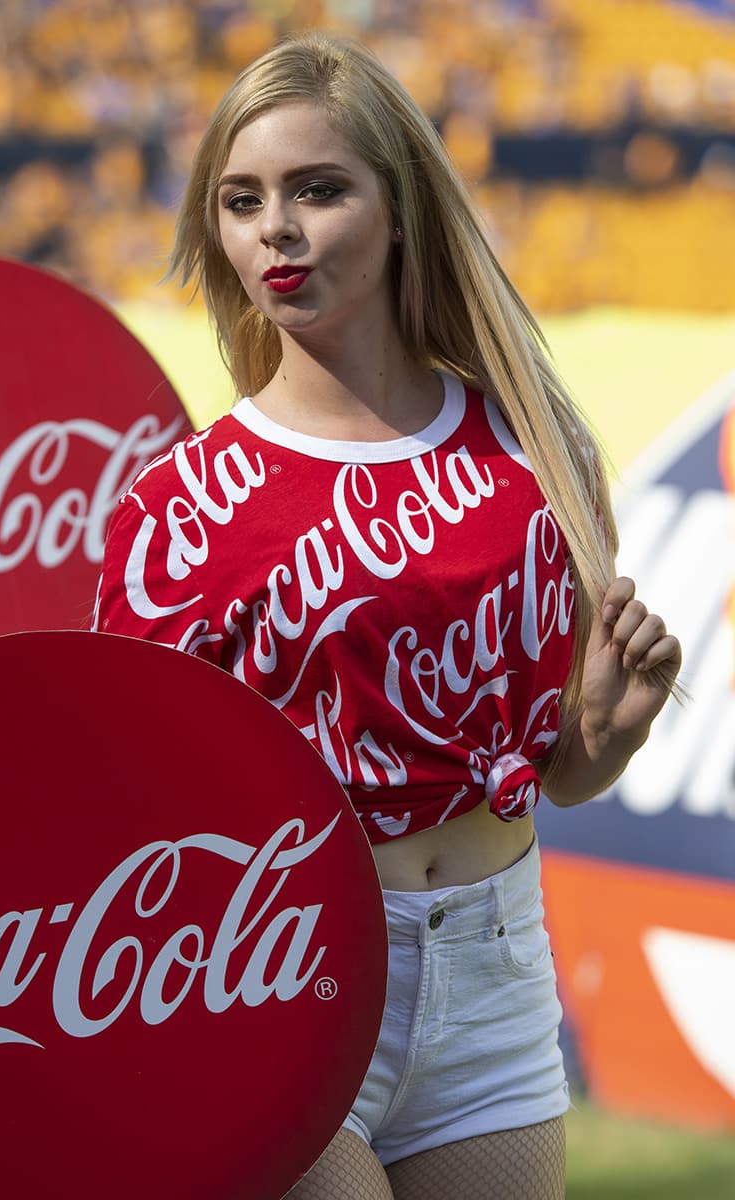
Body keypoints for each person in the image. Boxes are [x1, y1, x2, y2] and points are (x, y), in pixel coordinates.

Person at [92, 31, 682, 1200]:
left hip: (496, 971)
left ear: (400, 208)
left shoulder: (537, 452)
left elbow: (554, 775)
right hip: (276, 971)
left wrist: (605, 738)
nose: (278, 228)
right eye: (242, 199)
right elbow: (132, 807)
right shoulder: (179, 510)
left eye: (318, 189)